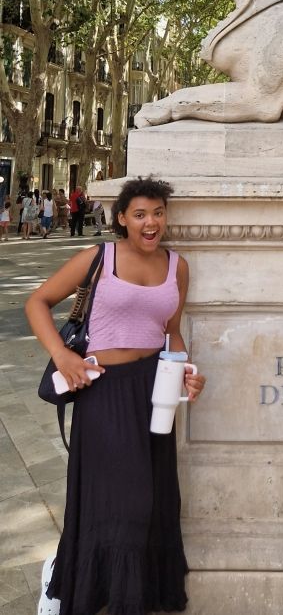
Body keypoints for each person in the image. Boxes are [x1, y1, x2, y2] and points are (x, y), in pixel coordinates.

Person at [25, 176, 206, 615]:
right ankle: (68, 577)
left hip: (154, 390)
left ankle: (130, 592)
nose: (151, 223)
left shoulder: (177, 266)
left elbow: (172, 331)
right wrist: (63, 357)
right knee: (121, 499)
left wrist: (184, 375)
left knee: (150, 500)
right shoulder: (99, 257)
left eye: (158, 213)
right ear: (121, 218)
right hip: (103, 389)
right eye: (140, 214)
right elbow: (37, 302)